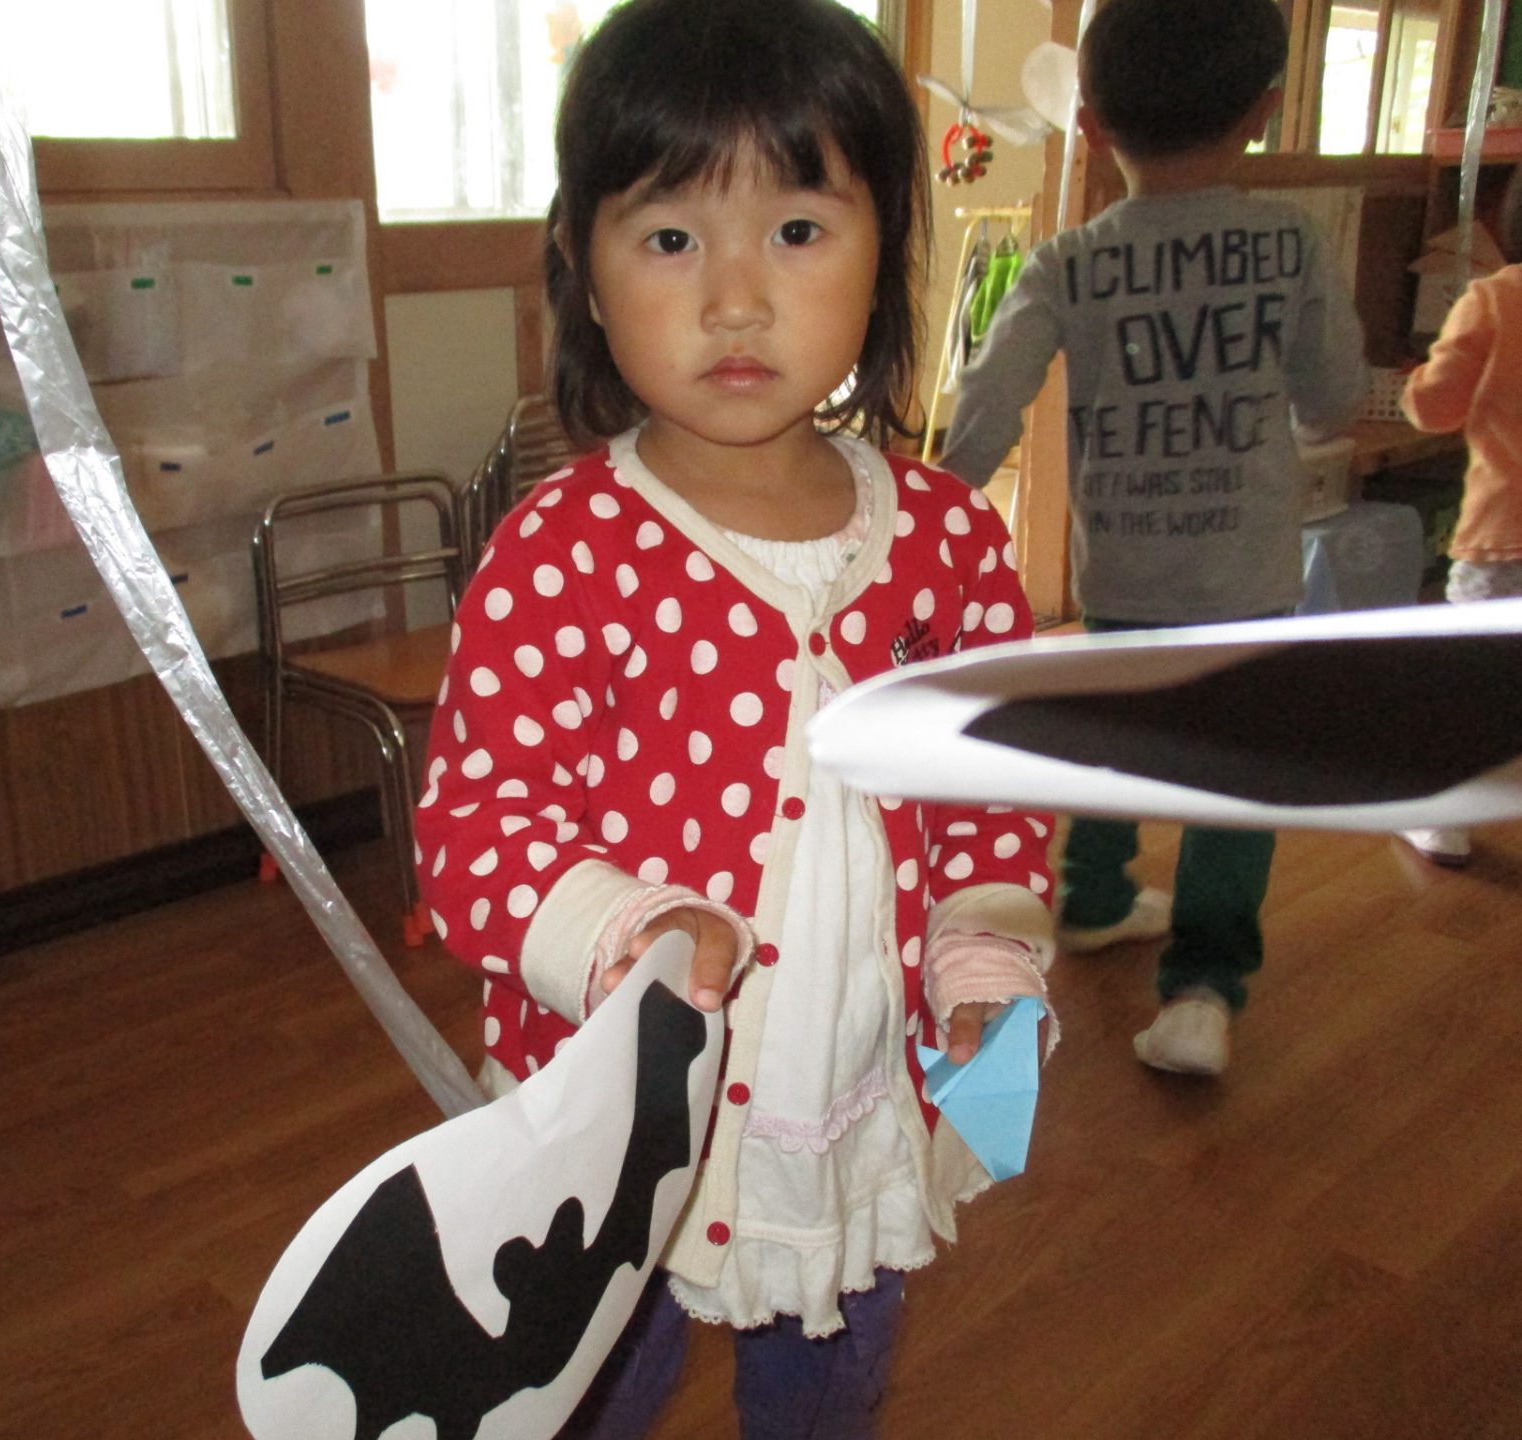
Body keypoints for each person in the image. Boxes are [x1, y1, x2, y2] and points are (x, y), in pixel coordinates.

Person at [414, 2, 1058, 1435]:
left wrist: (982, 953)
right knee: (589, 1398)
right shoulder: (563, 551)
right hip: (622, 1131)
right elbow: (475, 831)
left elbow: (991, 785)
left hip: (853, 1106)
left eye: (798, 229)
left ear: (886, 251)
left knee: (831, 1392)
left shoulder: (950, 540)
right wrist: (626, 928)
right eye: (669, 237)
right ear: (582, 268)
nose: (735, 300)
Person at [941, 0, 1368, 1079]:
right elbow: (1333, 400)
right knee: (1233, 781)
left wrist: (938, 511)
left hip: (1123, 570)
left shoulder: (1068, 261)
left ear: (1088, 125)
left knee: (1116, 735)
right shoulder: (1291, 242)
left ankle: (1091, 896)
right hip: (1247, 577)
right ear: (1263, 113)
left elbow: (987, 401)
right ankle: (1202, 991)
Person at [1394, 176, 1522, 868]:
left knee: (1466, 685)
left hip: (1503, 534)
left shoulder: (1494, 299)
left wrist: (1416, 379)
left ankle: (1442, 822)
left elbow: (1436, 408)